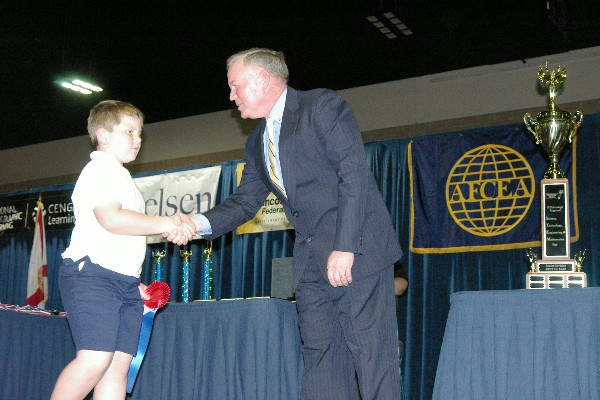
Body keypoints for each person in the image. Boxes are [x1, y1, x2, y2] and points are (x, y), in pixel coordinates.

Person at [172, 48, 403, 399]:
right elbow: (244, 202)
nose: (231, 96)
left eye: (235, 86)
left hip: (356, 252)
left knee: (373, 359)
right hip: (310, 264)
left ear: (263, 79)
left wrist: (344, 246)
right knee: (321, 362)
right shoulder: (256, 142)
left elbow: (353, 176)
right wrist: (196, 223)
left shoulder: (321, 106)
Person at [51, 100, 194, 400]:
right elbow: (112, 219)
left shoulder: (122, 177)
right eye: (129, 131)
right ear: (103, 135)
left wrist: (132, 280)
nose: (138, 139)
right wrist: (167, 222)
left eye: (140, 133)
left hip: (123, 282)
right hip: (91, 277)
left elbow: (119, 238)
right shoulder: (100, 170)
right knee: (94, 358)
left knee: (118, 366)